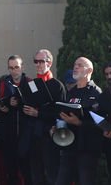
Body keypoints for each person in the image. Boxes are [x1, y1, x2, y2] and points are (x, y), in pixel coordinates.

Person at [54, 58, 103, 185]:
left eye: (80, 65)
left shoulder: (96, 92)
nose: (75, 67)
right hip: (69, 146)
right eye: (75, 65)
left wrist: (80, 123)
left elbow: (101, 124)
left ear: (89, 70)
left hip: (87, 148)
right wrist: (58, 124)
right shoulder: (71, 92)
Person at [22, 49, 66, 185]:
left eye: (41, 61)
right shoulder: (31, 84)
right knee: (36, 174)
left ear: (49, 63)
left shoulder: (57, 85)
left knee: (52, 173)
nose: (38, 64)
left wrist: (39, 113)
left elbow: (61, 113)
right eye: (36, 61)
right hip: (34, 134)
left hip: (50, 134)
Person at [0, 55, 31, 185]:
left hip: (26, 136)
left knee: (27, 172)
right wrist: (6, 105)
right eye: (11, 68)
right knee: (11, 172)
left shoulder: (30, 83)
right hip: (9, 136)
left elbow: (37, 105)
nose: (14, 71)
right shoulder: (4, 84)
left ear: (22, 67)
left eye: (16, 67)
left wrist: (21, 104)